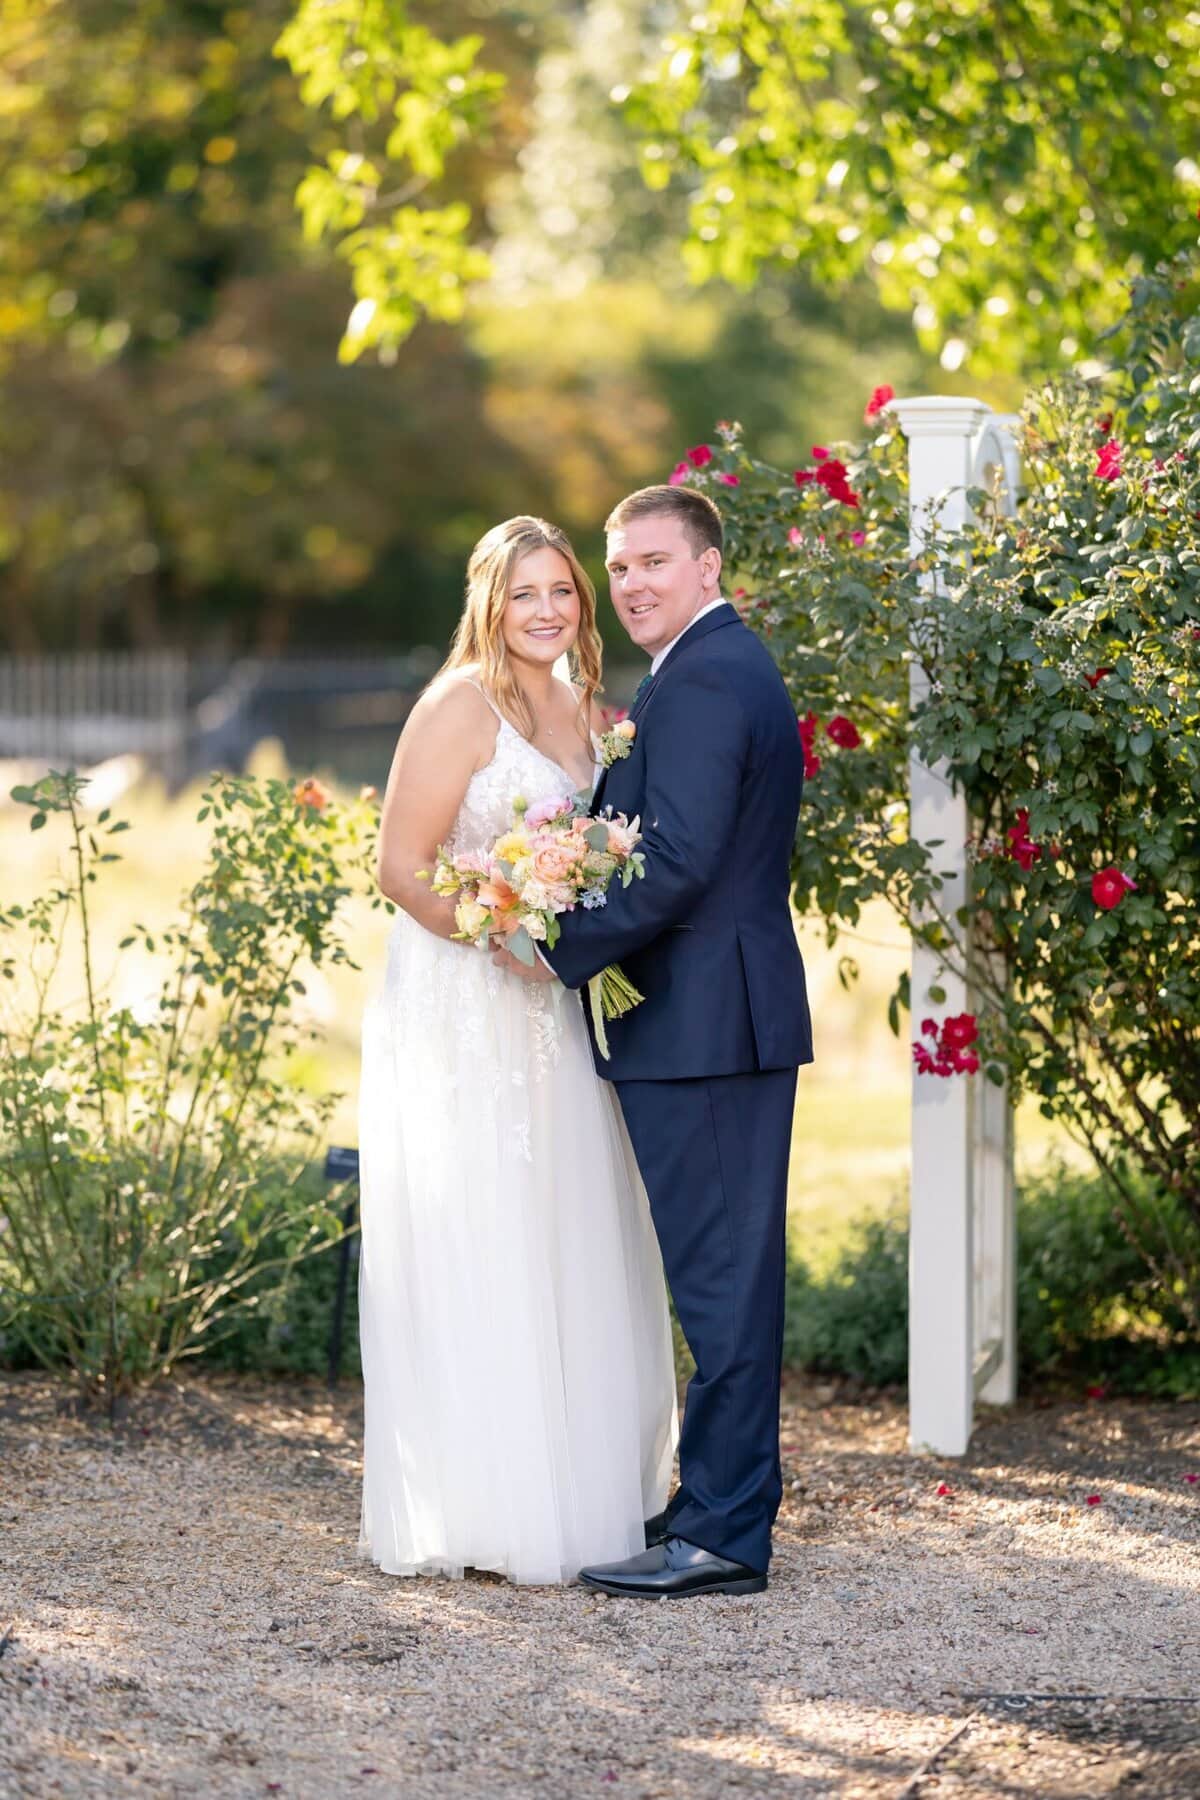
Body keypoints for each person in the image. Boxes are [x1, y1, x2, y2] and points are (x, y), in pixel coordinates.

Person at [497, 483, 812, 1597]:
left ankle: (724, 1535)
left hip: (707, 1025)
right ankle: (708, 1502)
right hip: (701, 1020)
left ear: (710, 568)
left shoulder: (711, 680)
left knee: (723, 1281)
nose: (630, 583)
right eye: (618, 566)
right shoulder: (694, 674)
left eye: (653, 563)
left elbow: (674, 862)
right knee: (714, 1273)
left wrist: (556, 945)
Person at [357, 515, 677, 1587]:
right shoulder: (459, 704)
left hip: (561, 1005)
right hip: (468, 1000)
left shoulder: (591, 710)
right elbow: (401, 867)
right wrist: (501, 936)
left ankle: (590, 1494)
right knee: (485, 1224)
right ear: (489, 602)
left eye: (563, 592)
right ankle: (492, 1505)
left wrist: (569, 931)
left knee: (572, 1223)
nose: (547, 611)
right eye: (525, 593)